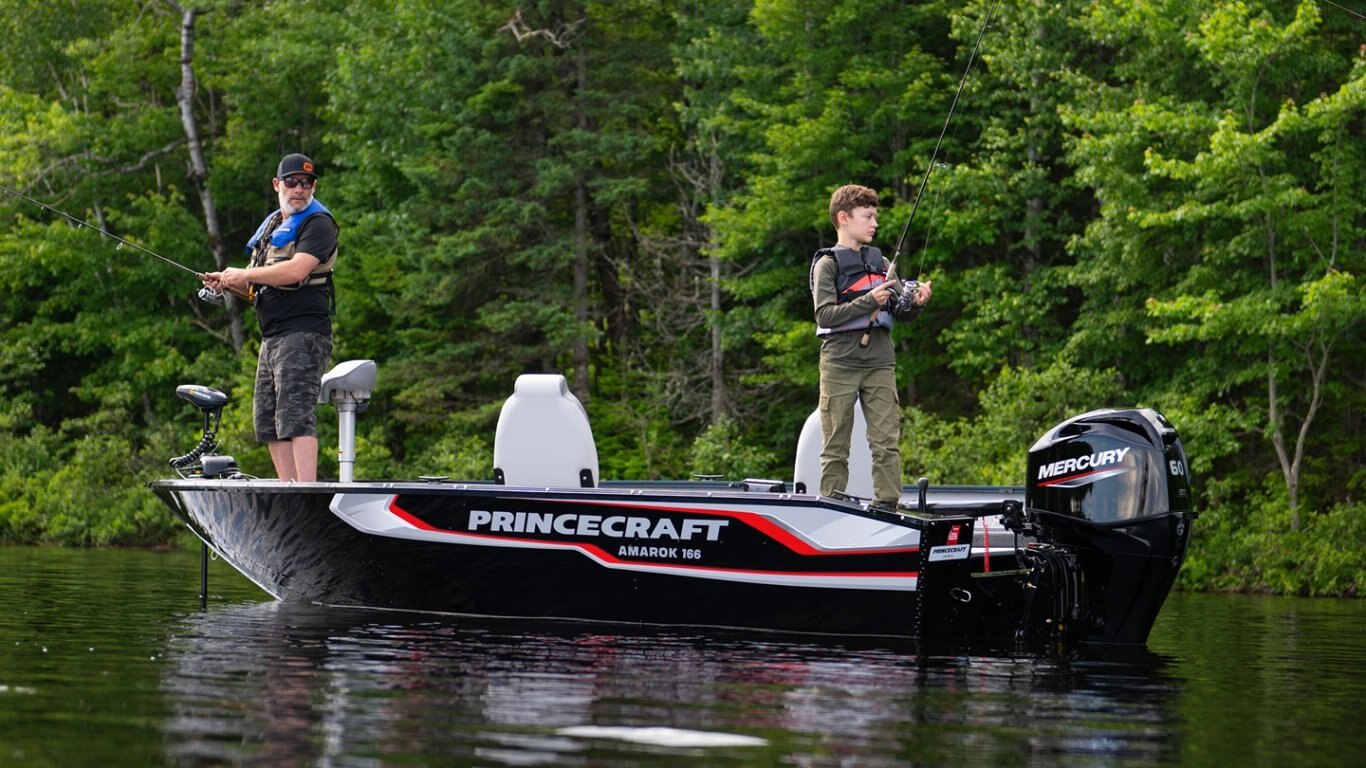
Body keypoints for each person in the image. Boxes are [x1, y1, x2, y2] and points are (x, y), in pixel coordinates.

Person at [201, 153, 338, 482]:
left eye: (306, 183)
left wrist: (244, 275)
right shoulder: (274, 225)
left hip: (304, 332)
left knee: (295, 416)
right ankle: (288, 489)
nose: (299, 189)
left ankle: (305, 492)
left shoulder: (318, 224)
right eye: (291, 182)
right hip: (272, 335)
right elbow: (255, 286)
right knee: (267, 421)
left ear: (314, 187)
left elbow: (296, 271)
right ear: (278, 185)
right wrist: (227, 282)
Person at [810, 183, 932, 511]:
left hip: (880, 362)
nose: (874, 223)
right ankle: (830, 505)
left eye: (875, 216)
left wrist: (917, 304)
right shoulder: (827, 265)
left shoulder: (881, 263)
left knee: (886, 442)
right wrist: (868, 301)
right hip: (839, 363)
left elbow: (900, 313)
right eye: (868, 216)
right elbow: (825, 314)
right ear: (844, 218)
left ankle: (887, 506)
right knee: (835, 444)